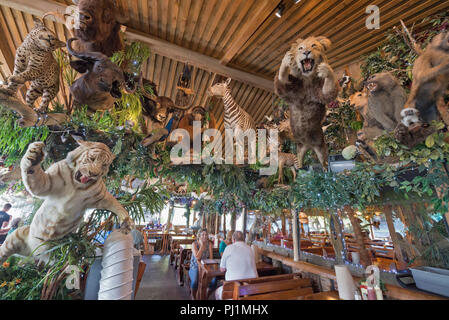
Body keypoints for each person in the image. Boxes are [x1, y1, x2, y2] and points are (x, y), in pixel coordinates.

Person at [215, 231, 258, 300]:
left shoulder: (228, 248)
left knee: (217, 292)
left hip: (234, 289)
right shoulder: (250, 249)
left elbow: (222, 269)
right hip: (251, 289)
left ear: (233, 240)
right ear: (244, 239)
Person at [188, 228, 216, 300]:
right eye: (202, 235)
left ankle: (206, 295)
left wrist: (211, 267)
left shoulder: (209, 244)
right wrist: (202, 246)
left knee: (214, 280)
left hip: (206, 266)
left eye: (206, 235)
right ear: (199, 236)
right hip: (195, 266)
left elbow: (211, 258)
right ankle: (193, 295)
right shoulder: (194, 244)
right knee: (195, 281)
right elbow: (197, 257)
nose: (204, 236)